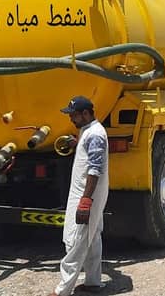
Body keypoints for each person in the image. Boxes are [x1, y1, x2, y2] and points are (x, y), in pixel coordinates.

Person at [48, 96, 109, 296]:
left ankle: (63, 290)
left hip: (87, 194)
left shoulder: (95, 135)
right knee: (91, 239)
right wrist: (77, 142)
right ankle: (93, 283)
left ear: (85, 114)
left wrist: (85, 201)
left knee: (76, 241)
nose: (70, 120)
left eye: (73, 116)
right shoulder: (88, 132)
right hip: (87, 193)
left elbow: (94, 170)